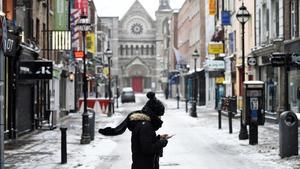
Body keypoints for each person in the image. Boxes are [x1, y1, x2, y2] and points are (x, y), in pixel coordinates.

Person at [98, 92, 169, 169]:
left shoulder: (143, 124)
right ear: (153, 114)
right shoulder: (145, 126)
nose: (160, 118)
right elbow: (147, 149)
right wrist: (162, 142)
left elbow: (144, 142)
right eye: (159, 115)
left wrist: (158, 138)